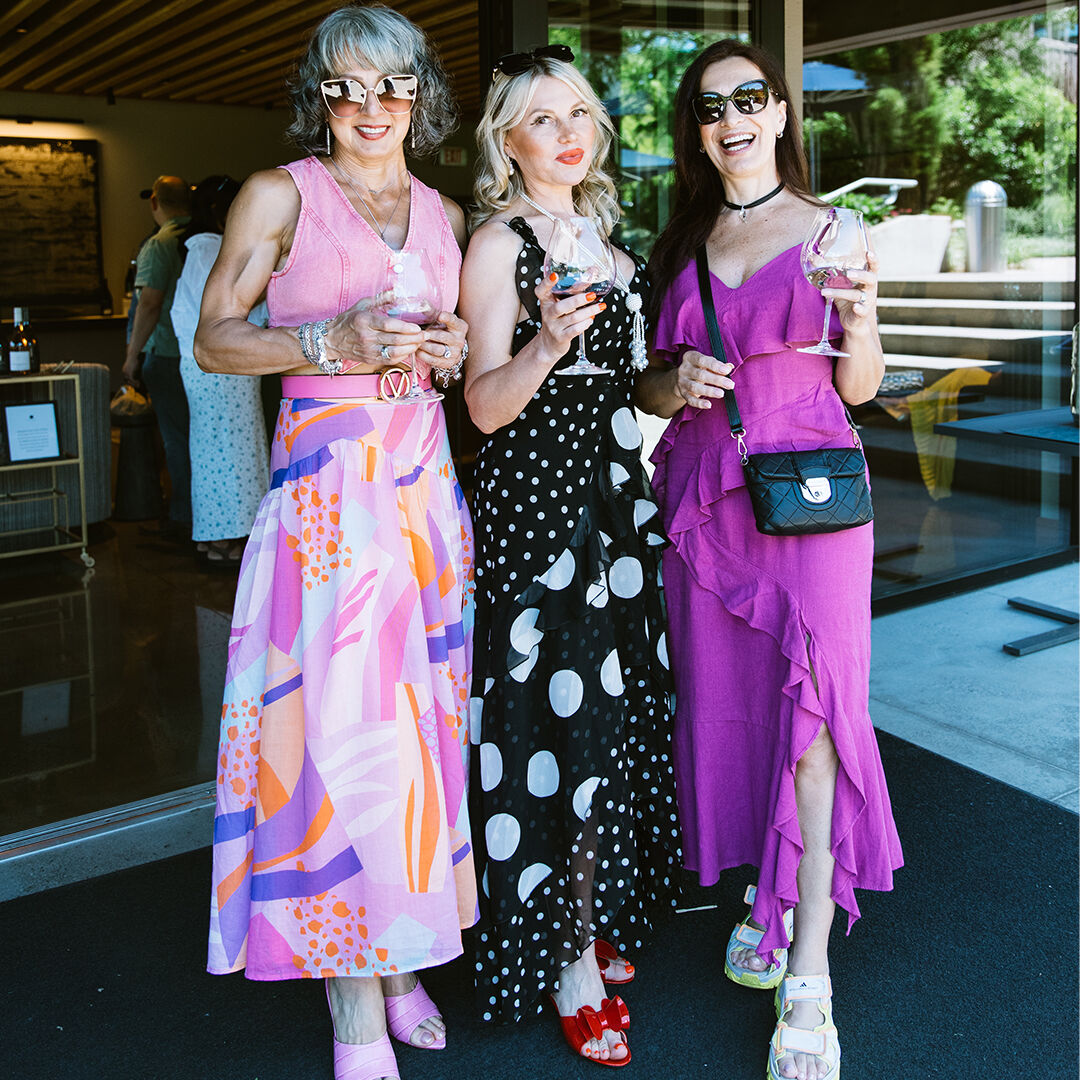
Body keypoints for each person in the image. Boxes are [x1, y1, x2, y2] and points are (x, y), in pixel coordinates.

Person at [195, 7, 473, 1079]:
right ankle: (355, 1006)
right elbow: (216, 339)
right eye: (345, 86)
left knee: (419, 736)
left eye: (391, 86)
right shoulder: (282, 194)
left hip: (421, 495)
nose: (368, 108)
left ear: (419, 97)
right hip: (326, 503)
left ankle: (403, 957)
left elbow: (441, 352)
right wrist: (326, 339)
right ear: (320, 94)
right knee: (339, 744)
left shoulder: (444, 213)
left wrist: (444, 349)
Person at [635, 40, 903, 1080]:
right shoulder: (682, 243)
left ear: (781, 114)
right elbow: (647, 394)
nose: (733, 117)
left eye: (751, 98)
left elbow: (862, 381)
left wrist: (865, 313)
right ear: (698, 132)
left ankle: (808, 972)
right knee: (734, 703)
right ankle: (769, 890)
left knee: (815, 710)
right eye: (712, 107)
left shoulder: (837, 228)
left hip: (813, 493)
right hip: (707, 493)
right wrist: (672, 383)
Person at [459, 45, 680, 1067]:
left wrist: (674, 391)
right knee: (550, 732)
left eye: (580, 112)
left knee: (612, 725)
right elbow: (484, 409)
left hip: (614, 511)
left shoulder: (610, 244)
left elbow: (627, 397)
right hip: (534, 517)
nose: (568, 131)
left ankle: (593, 916)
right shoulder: (497, 244)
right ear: (507, 140)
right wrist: (546, 342)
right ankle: (560, 959)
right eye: (543, 118)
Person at [171, 175, 269, 568]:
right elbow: (227, 311)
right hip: (220, 367)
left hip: (210, 368)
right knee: (230, 448)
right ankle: (226, 534)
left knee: (220, 447)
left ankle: (217, 533)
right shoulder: (210, 248)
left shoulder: (204, 249)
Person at [123, 174, 193, 540]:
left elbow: (149, 304)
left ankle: (181, 517)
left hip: (165, 354)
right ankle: (201, 514)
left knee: (175, 439)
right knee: (197, 438)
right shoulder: (200, 240)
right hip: (197, 358)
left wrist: (132, 356)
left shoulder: (159, 245)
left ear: (155, 202)